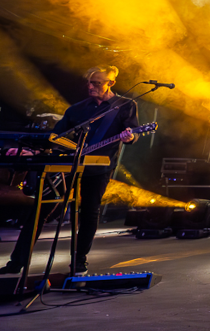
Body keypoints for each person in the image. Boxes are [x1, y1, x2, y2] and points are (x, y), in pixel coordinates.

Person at [0, 65, 138, 276]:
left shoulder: (125, 105)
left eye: (96, 83)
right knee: (39, 211)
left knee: (89, 212)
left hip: (99, 166)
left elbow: (133, 132)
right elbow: (56, 138)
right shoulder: (77, 109)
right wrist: (35, 150)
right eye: (89, 82)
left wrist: (131, 136)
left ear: (111, 83)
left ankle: (79, 262)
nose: (90, 87)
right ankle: (16, 262)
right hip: (67, 165)